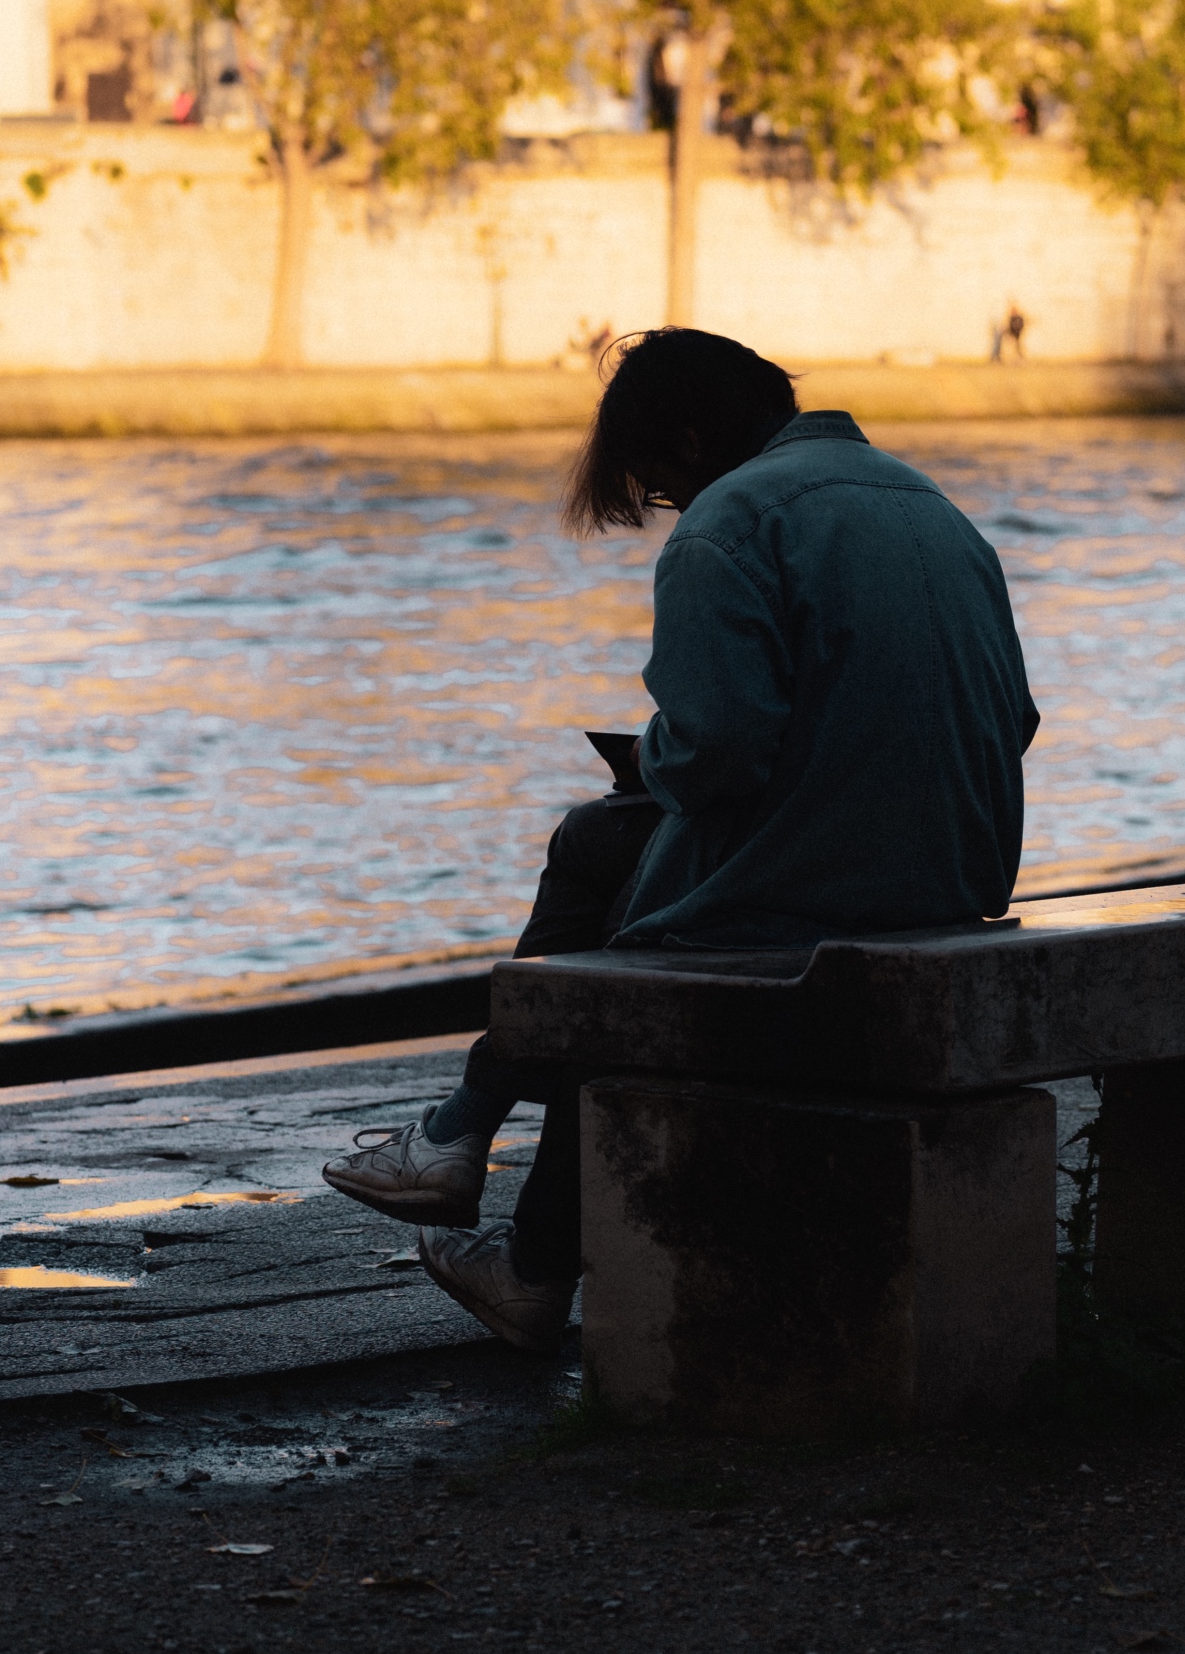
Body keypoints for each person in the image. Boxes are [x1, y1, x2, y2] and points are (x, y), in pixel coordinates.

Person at [321, 327, 1041, 1354]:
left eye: (658, 488)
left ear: (694, 441)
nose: (668, 508)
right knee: (609, 860)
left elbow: (720, 755)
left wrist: (656, 755)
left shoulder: (727, 524)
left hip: (833, 897)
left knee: (615, 927)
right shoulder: (932, 506)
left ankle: (479, 1170)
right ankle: (474, 1165)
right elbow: (1008, 721)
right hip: (958, 874)